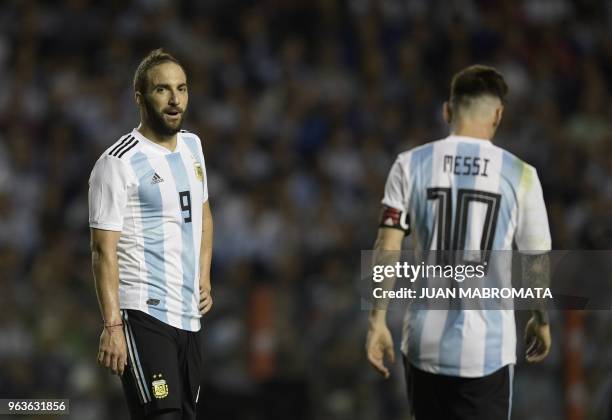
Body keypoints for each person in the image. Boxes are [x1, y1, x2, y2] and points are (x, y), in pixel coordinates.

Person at [365, 65, 552, 419]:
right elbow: (535, 259)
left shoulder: (409, 165)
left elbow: (386, 246)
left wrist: (377, 320)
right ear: (498, 114)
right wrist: (539, 319)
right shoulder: (521, 174)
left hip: (424, 344)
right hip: (488, 352)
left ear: (447, 110)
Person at [88, 48, 213, 420]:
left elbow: (204, 212)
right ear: (140, 99)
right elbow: (102, 250)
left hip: (188, 315)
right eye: (163, 90)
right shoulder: (118, 162)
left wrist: (203, 275)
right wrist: (112, 325)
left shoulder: (193, 146)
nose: (175, 99)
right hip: (143, 312)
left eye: (182, 88)